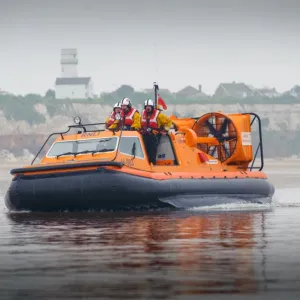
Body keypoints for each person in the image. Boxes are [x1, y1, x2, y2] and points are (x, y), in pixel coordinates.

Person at [140, 99, 173, 165]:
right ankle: (144, 164)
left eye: (149, 106)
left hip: (154, 136)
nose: (148, 108)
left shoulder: (159, 115)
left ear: (152, 107)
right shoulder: (143, 113)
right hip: (144, 135)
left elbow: (169, 122)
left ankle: (152, 164)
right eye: (146, 106)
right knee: (143, 151)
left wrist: (164, 130)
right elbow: (139, 123)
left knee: (152, 152)